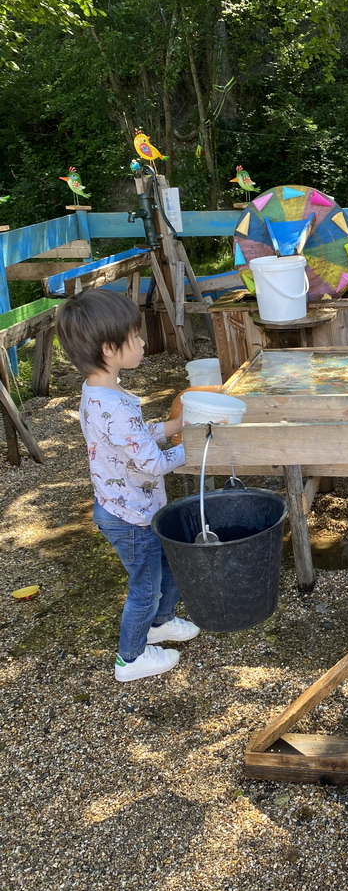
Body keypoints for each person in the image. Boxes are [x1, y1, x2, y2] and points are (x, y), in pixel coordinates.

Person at [57, 289, 199, 683]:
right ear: (109, 348)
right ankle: (130, 658)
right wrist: (191, 448)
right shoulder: (115, 406)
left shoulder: (100, 392)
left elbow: (128, 439)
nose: (142, 342)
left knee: (168, 565)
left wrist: (168, 428)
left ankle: (161, 623)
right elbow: (151, 464)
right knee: (144, 588)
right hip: (128, 516)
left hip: (136, 506)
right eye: (134, 337)